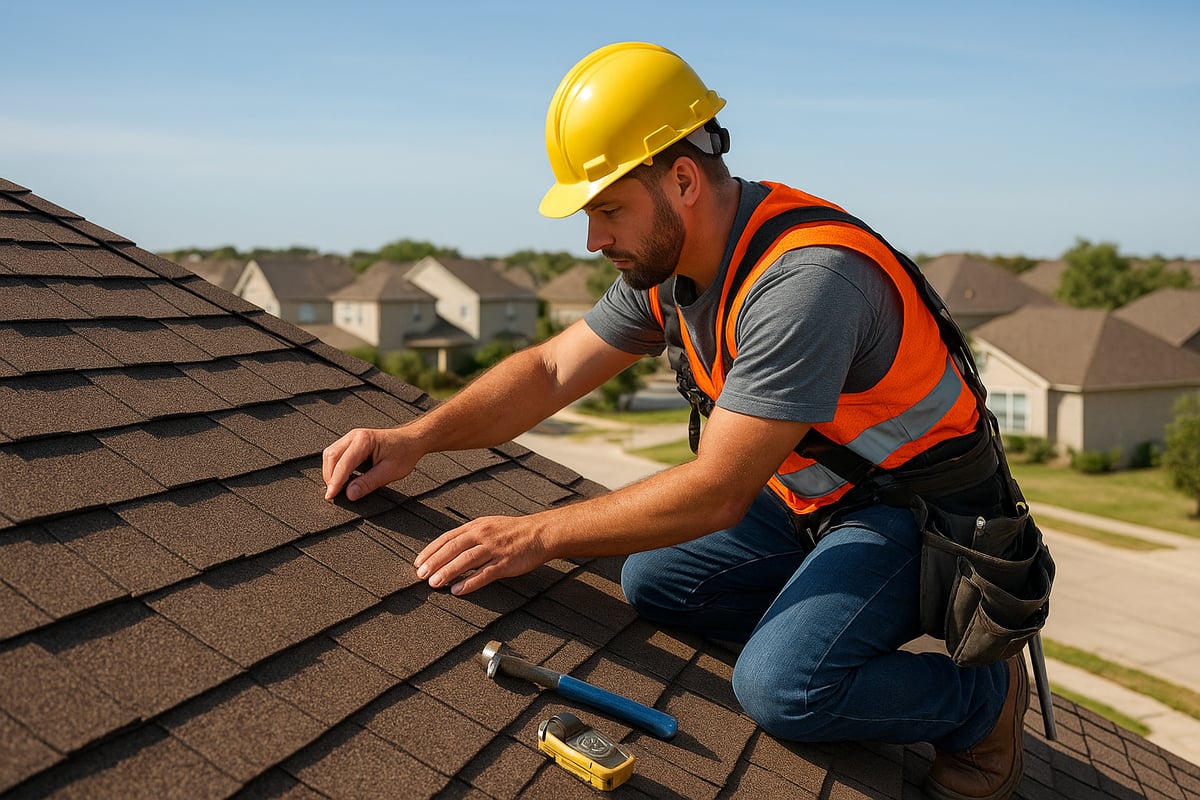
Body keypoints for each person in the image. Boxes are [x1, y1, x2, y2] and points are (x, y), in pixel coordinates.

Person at [322, 41, 1029, 800]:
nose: (594, 241)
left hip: (914, 518)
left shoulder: (804, 282)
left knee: (780, 689)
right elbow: (553, 370)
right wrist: (414, 438)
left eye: (607, 210)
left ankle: (981, 702)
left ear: (683, 179)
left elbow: (718, 491)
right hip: (806, 497)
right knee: (654, 582)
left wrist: (533, 533)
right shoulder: (675, 265)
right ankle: (825, 603)